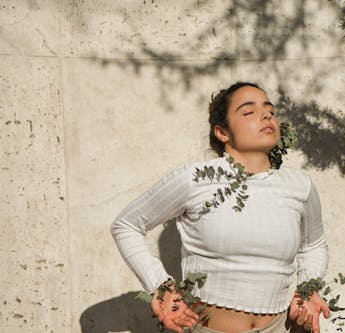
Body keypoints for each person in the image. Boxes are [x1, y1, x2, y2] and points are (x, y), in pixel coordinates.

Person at [111, 82, 331, 333]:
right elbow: (126, 225)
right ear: (222, 132)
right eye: (249, 112)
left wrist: (307, 288)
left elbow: (314, 245)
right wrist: (160, 286)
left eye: (270, 109)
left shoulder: (299, 186)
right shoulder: (196, 179)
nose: (266, 114)